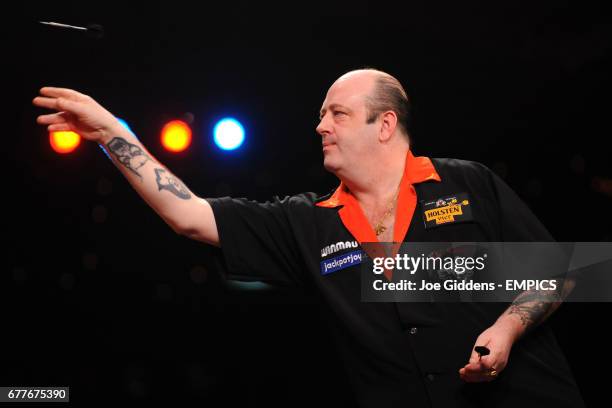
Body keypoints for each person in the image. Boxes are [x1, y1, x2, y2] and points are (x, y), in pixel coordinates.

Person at [33, 69, 585, 407]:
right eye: (322, 115)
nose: (321, 126)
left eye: (338, 114)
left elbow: (564, 270)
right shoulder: (308, 221)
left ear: (385, 125)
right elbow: (191, 216)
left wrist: (509, 328)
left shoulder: (469, 182)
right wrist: (114, 134)